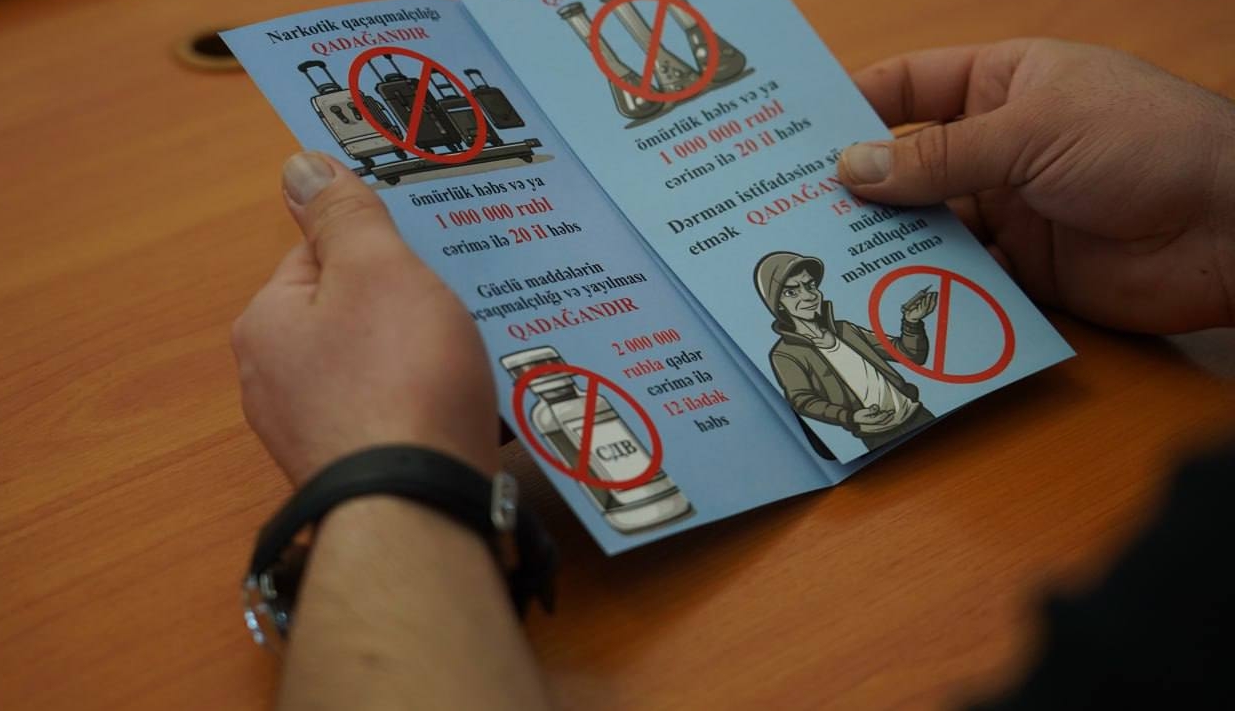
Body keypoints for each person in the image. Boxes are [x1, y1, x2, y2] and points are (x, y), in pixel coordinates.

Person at [231, 38, 1234, 709]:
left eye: (808, 288)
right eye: (793, 292)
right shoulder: (802, 346)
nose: (807, 300)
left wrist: (385, 466)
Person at [754, 251, 938, 451]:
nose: (809, 296)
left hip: (919, 416)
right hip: (880, 436)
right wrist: (849, 417)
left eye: (810, 285)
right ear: (778, 305)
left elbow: (910, 355)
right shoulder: (785, 353)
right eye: (791, 292)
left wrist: (911, 323)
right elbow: (803, 401)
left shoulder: (845, 329)